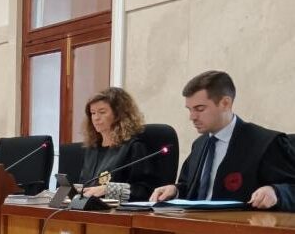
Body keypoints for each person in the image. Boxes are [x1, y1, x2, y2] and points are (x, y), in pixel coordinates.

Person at [149, 71, 295, 210]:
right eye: (189, 109)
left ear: (225, 103)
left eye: (200, 109)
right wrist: (175, 190)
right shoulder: (199, 144)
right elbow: (190, 188)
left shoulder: (265, 143)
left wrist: (276, 192)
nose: (192, 117)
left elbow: (291, 188)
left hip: (241, 225)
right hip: (195, 223)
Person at [78, 87, 159, 201]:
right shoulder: (92, 148)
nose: (96, 118)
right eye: (93, 113)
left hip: (116, 210)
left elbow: (144, 190)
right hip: (89, 208)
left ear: (118, 114)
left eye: (102, 112)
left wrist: (108, 190)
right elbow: (85, 184)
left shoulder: (134, 147)